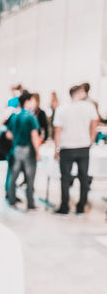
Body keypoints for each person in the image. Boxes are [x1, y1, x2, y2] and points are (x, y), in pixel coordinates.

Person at [54, 85, 99, 215]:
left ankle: (64, 206)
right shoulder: (89, 107)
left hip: (66, 147)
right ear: (79, 93)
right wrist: (91, 139)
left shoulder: (62, 108)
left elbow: (58, 131)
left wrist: (56, 149)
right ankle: (81, 206)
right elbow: (94, 125)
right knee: (84, 177)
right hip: (83, 146)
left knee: (65, 178)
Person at [6, 92, 41, 210]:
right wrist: (37, 153)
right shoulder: (31, 117)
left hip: (16, 149)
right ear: (27, 101)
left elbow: (9, 135)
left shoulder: (14, 116)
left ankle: (11, 200)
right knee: (30, 178)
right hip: (28, 149)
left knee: (13, 176)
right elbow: (34, 135)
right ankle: (30, 203)